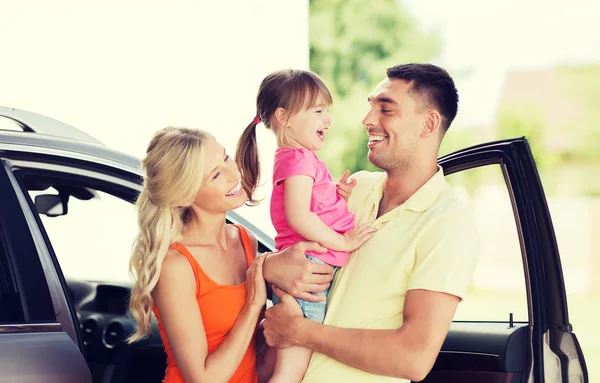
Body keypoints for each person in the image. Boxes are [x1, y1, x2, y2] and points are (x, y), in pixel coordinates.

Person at [261, 63, 481, 383]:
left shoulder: (447, 225)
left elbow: (413, 357)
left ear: (428, 123)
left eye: (386, 109)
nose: (367, 120)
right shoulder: (355, 189)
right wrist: (269, 266)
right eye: (370, 106)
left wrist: (301, 332)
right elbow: (295, 247)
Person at [235, 69, 375, 383]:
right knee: (291, 371)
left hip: (307, 270)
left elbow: (309, 208)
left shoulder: (300, 158)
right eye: (317, 111)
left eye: (328, 110)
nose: (328, 119)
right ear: (283, 116)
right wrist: (344, 241)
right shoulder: (297, 160)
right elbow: (298, 217)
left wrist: (335, 199)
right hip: (308, 272)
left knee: (285, 366)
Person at [127, 127, 269, 383]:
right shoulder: (176, 266)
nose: (233, 173)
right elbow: (202, 379)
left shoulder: (244, 240)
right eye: (216, 175)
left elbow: (249, 348)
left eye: (225, 158)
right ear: (186, 196)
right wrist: (253, 305)